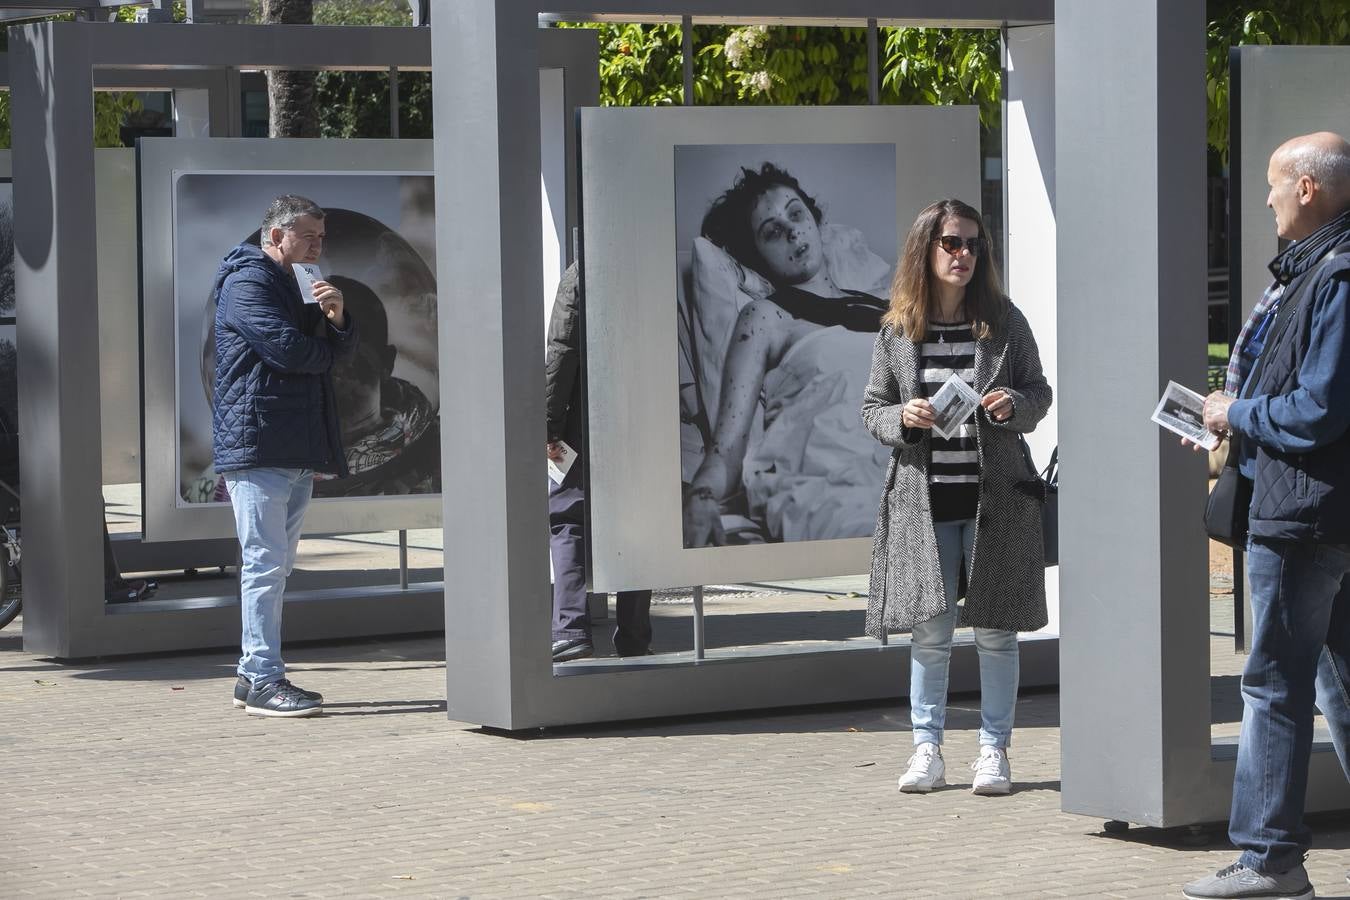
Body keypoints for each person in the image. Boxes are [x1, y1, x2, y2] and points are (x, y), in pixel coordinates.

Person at [1182, 132, 1350, 900]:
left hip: (1304, 518)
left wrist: (1237, 412)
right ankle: (1272, 858)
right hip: (1311, 510)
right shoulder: (1314, 270)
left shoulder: (1336, 274)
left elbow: (1318, 410)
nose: (1271, 201)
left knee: (1272, 686)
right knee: (1335, 684)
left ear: (1309, 189)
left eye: (1276, 187)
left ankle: (1270, 860)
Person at [860, 198, 1051, 796]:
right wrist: (903, 415)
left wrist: (1012, 406)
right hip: (925, 501)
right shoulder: (898, 328)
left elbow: (1038, 393)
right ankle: (927, 750)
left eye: (972, 244)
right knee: (930, 633)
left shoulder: (1004, 320)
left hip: (995, 504)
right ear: (926, 249)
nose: (963, 254)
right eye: (950, 243)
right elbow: (872, 409)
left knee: (996, 633)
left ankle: (994, 753)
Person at [683, 163, 890, 547]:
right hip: (830, 475)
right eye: (772, 232)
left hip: (903, 464)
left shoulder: (888, 309)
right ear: (756, 255)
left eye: (796, 214)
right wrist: (700, 497)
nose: (792, 231)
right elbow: (727, 447)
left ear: (814, 221)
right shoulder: (765, 317)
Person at [213, 195, 358, 718]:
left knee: (276, 565)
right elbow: (289, 350)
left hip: (292, 444)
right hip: (258, 443)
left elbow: (330, 352)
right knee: (264, 563)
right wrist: (323, 349)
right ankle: (261, 678)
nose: (318, 246)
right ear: (276, 237)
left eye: (322, 237)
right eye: (309, 237)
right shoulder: (247, 281)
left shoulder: (299, 283)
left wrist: (338, 319)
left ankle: (253, 675)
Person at [546, 262, 653, 662]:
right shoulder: (652, 262)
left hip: (587, 420)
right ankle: (635, 637)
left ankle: (571, 629)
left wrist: (548, 425)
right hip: (646, 418)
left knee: (568, 519)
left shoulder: (585, 270)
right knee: (637, 526)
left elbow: (562, 350)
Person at [312, 275, 439, 497]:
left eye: (351, 359)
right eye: (318, 358)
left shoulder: (432, 450)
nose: (336, 374)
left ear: (385, 362)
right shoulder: (273, 463)